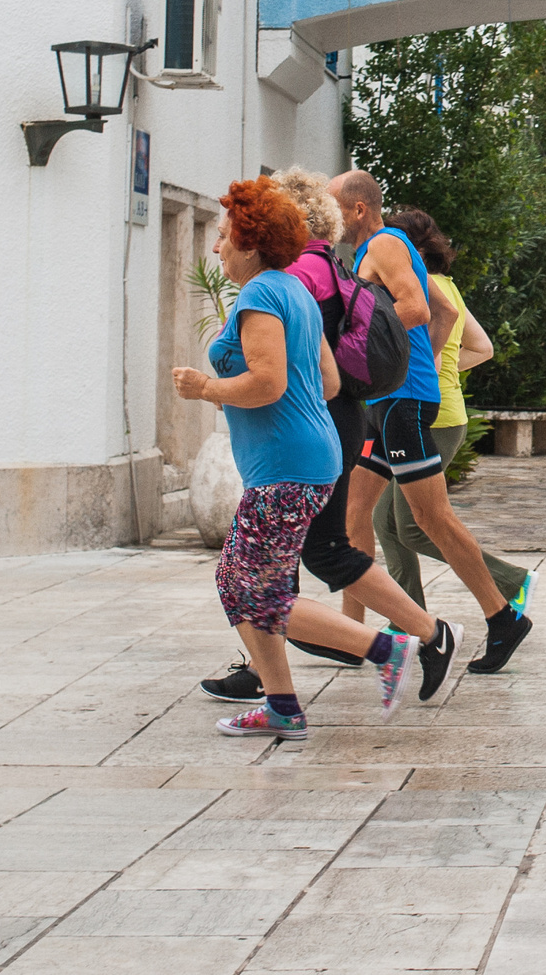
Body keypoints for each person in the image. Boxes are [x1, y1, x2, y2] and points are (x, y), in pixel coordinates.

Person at [172, 179, 427, 739]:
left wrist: (205, 388)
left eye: (221, 237)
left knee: (251, 590)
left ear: (249, 240)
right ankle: (283, 706)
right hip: (311, 458)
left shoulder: (262, 294)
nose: (215, 249)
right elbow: (331, 379)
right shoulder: (295, 291)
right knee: (244, 585)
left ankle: (384, 648)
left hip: (285, 466)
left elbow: (267, 382)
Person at [330, 172, 535, 675]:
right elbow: (443, 309)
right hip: (386, 398)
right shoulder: (372, 250)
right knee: (356, 514)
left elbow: (418, 307)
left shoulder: (383, 243)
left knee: (430, 519)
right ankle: (354, 636)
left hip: (403, 403)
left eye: (333, 205)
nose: (327, 213)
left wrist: (364, 345)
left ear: (358, 209)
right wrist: (417, 357)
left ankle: (503, 617)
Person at [365, 207, 521, 615]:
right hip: (439, 408)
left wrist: (427, 366)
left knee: (413, 525)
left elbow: (428, 346)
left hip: (421, 409)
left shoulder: (417, 287)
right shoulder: (445, 286)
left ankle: (510, 584)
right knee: (386, 520)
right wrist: (443, 368)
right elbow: (482, 348)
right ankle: (410, 612)